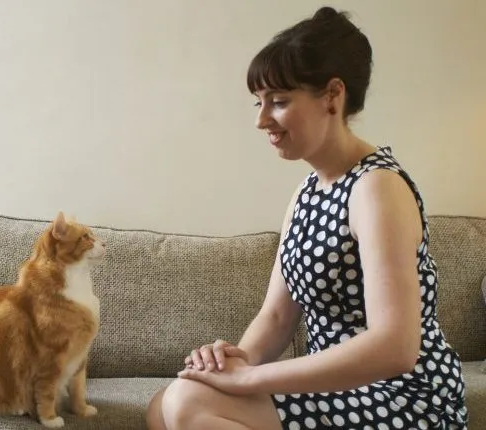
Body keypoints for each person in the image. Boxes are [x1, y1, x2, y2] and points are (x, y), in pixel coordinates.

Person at [146, 6, 468, 430]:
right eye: (259, 103)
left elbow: (396, 347)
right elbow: (277, 317)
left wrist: (251, 379)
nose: (262, 120)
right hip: (340, 391)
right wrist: (231, 366)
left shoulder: (377, 188)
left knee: (189, 404)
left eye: (278, 102)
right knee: (166, 402)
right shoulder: (307, 192)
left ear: (333, 95)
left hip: (402, 393)